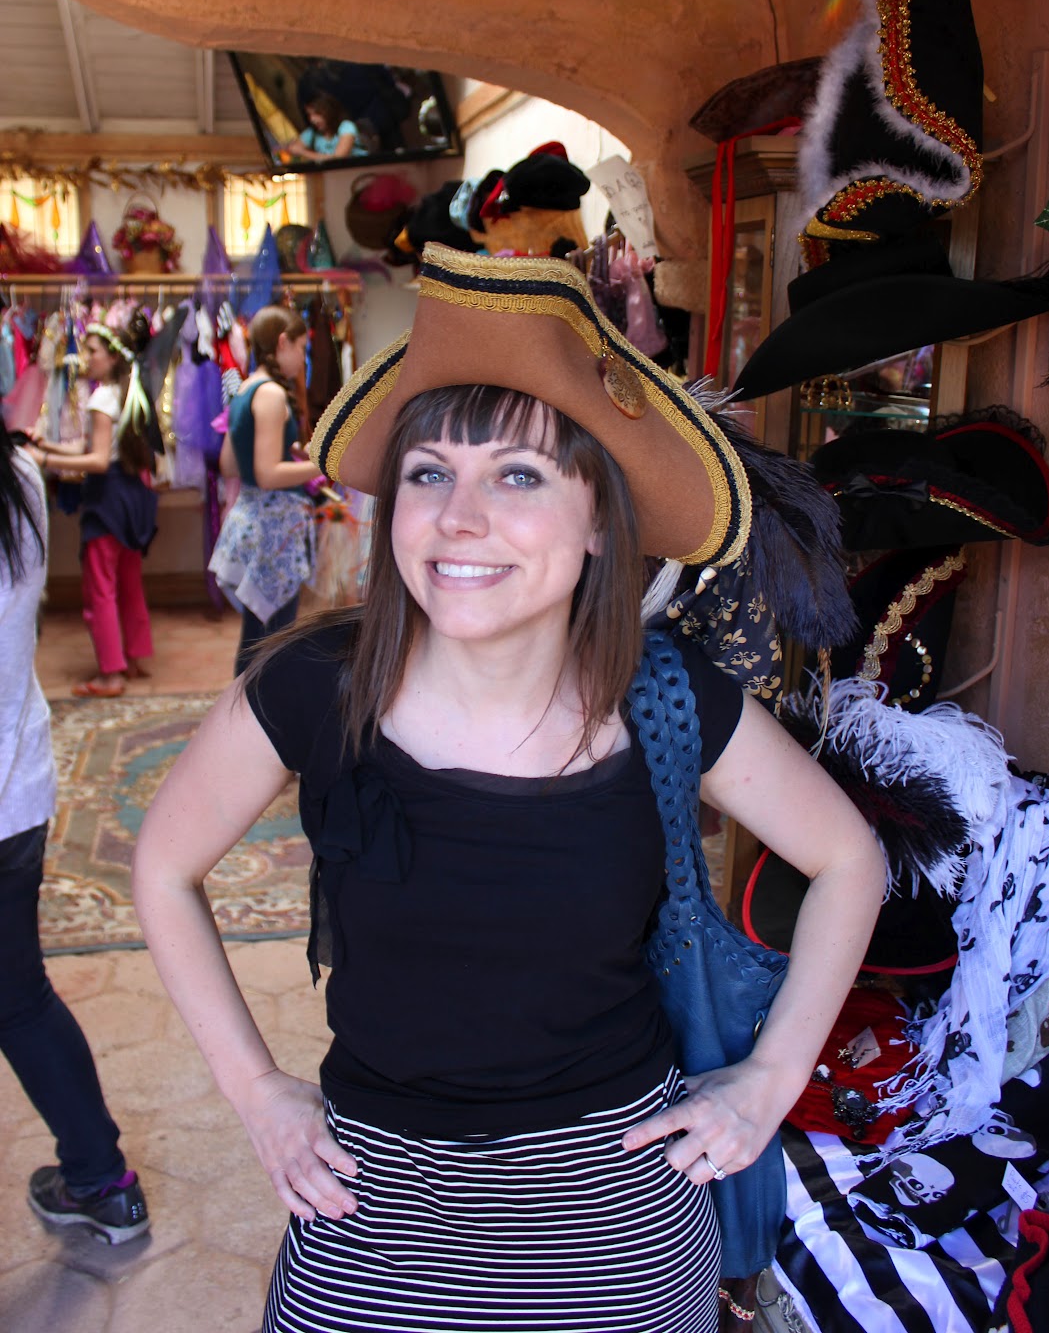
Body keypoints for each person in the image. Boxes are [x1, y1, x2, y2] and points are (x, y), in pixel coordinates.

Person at [132, 247, 885, 1333]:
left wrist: (770, 1077)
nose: (458, 515)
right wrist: (254, 1090)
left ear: (598, 521)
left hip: (617, 1223)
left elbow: (848, 857)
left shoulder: (666, 700)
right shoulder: (312, 685)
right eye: (429, 471)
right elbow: (162, 866)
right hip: (370, 1212)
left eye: (519, 475)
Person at [0, 416, 149, 1245]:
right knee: (19, 997)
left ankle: (99, 1175)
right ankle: (100, 1178)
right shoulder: (18, 467)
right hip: (13, 787)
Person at [34, 312, 157, 699]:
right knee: (128, 581)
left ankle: (110, 674)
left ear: (112, 357)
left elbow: (98, 460)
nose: (84, 357)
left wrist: (45, 463)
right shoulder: (125, 391)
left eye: (91, 350)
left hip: (108, 499)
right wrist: (48, 446)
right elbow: (96, 448)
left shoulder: (102, 396)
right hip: (132, 495)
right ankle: (133, 659)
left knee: (100, 588)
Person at [210, 304, 320, 675]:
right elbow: (268, 474)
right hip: (272, 530)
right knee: (273, 640)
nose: (302, 360)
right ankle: (260, 719)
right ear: (282, 342)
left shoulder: (244, 389)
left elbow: (229, 464)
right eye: (301, 350)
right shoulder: (272, 394)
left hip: (251, 518)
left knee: (257, 636)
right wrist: (323, 463)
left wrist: (286, 454)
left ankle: (245, 713)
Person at [283, 92, 359, 163]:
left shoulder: (346, 126)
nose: (312, 119)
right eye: (309, 115)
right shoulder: (311, 133)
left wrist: (303, 152)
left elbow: (338, 159)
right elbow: (294, 150)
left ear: (329, 112)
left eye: (317, 114)